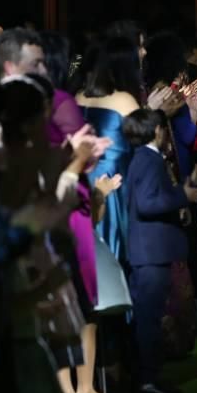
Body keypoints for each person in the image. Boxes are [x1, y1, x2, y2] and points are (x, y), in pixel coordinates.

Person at [123, 109, 197, 393]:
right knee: (149, 318)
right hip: (151, 252)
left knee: (149, 316)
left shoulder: (145, 159)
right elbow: (148, 204)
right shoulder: (148, 160)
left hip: (152, 250)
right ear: (158, 131)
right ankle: (147, 379)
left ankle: (148, 376)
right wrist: (181, 196)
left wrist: (181, 199)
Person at [73, 37, 142, 264]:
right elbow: (145, 146)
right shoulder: (124, 100)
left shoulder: (78, 97)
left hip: (83, 179)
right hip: (114, 181)